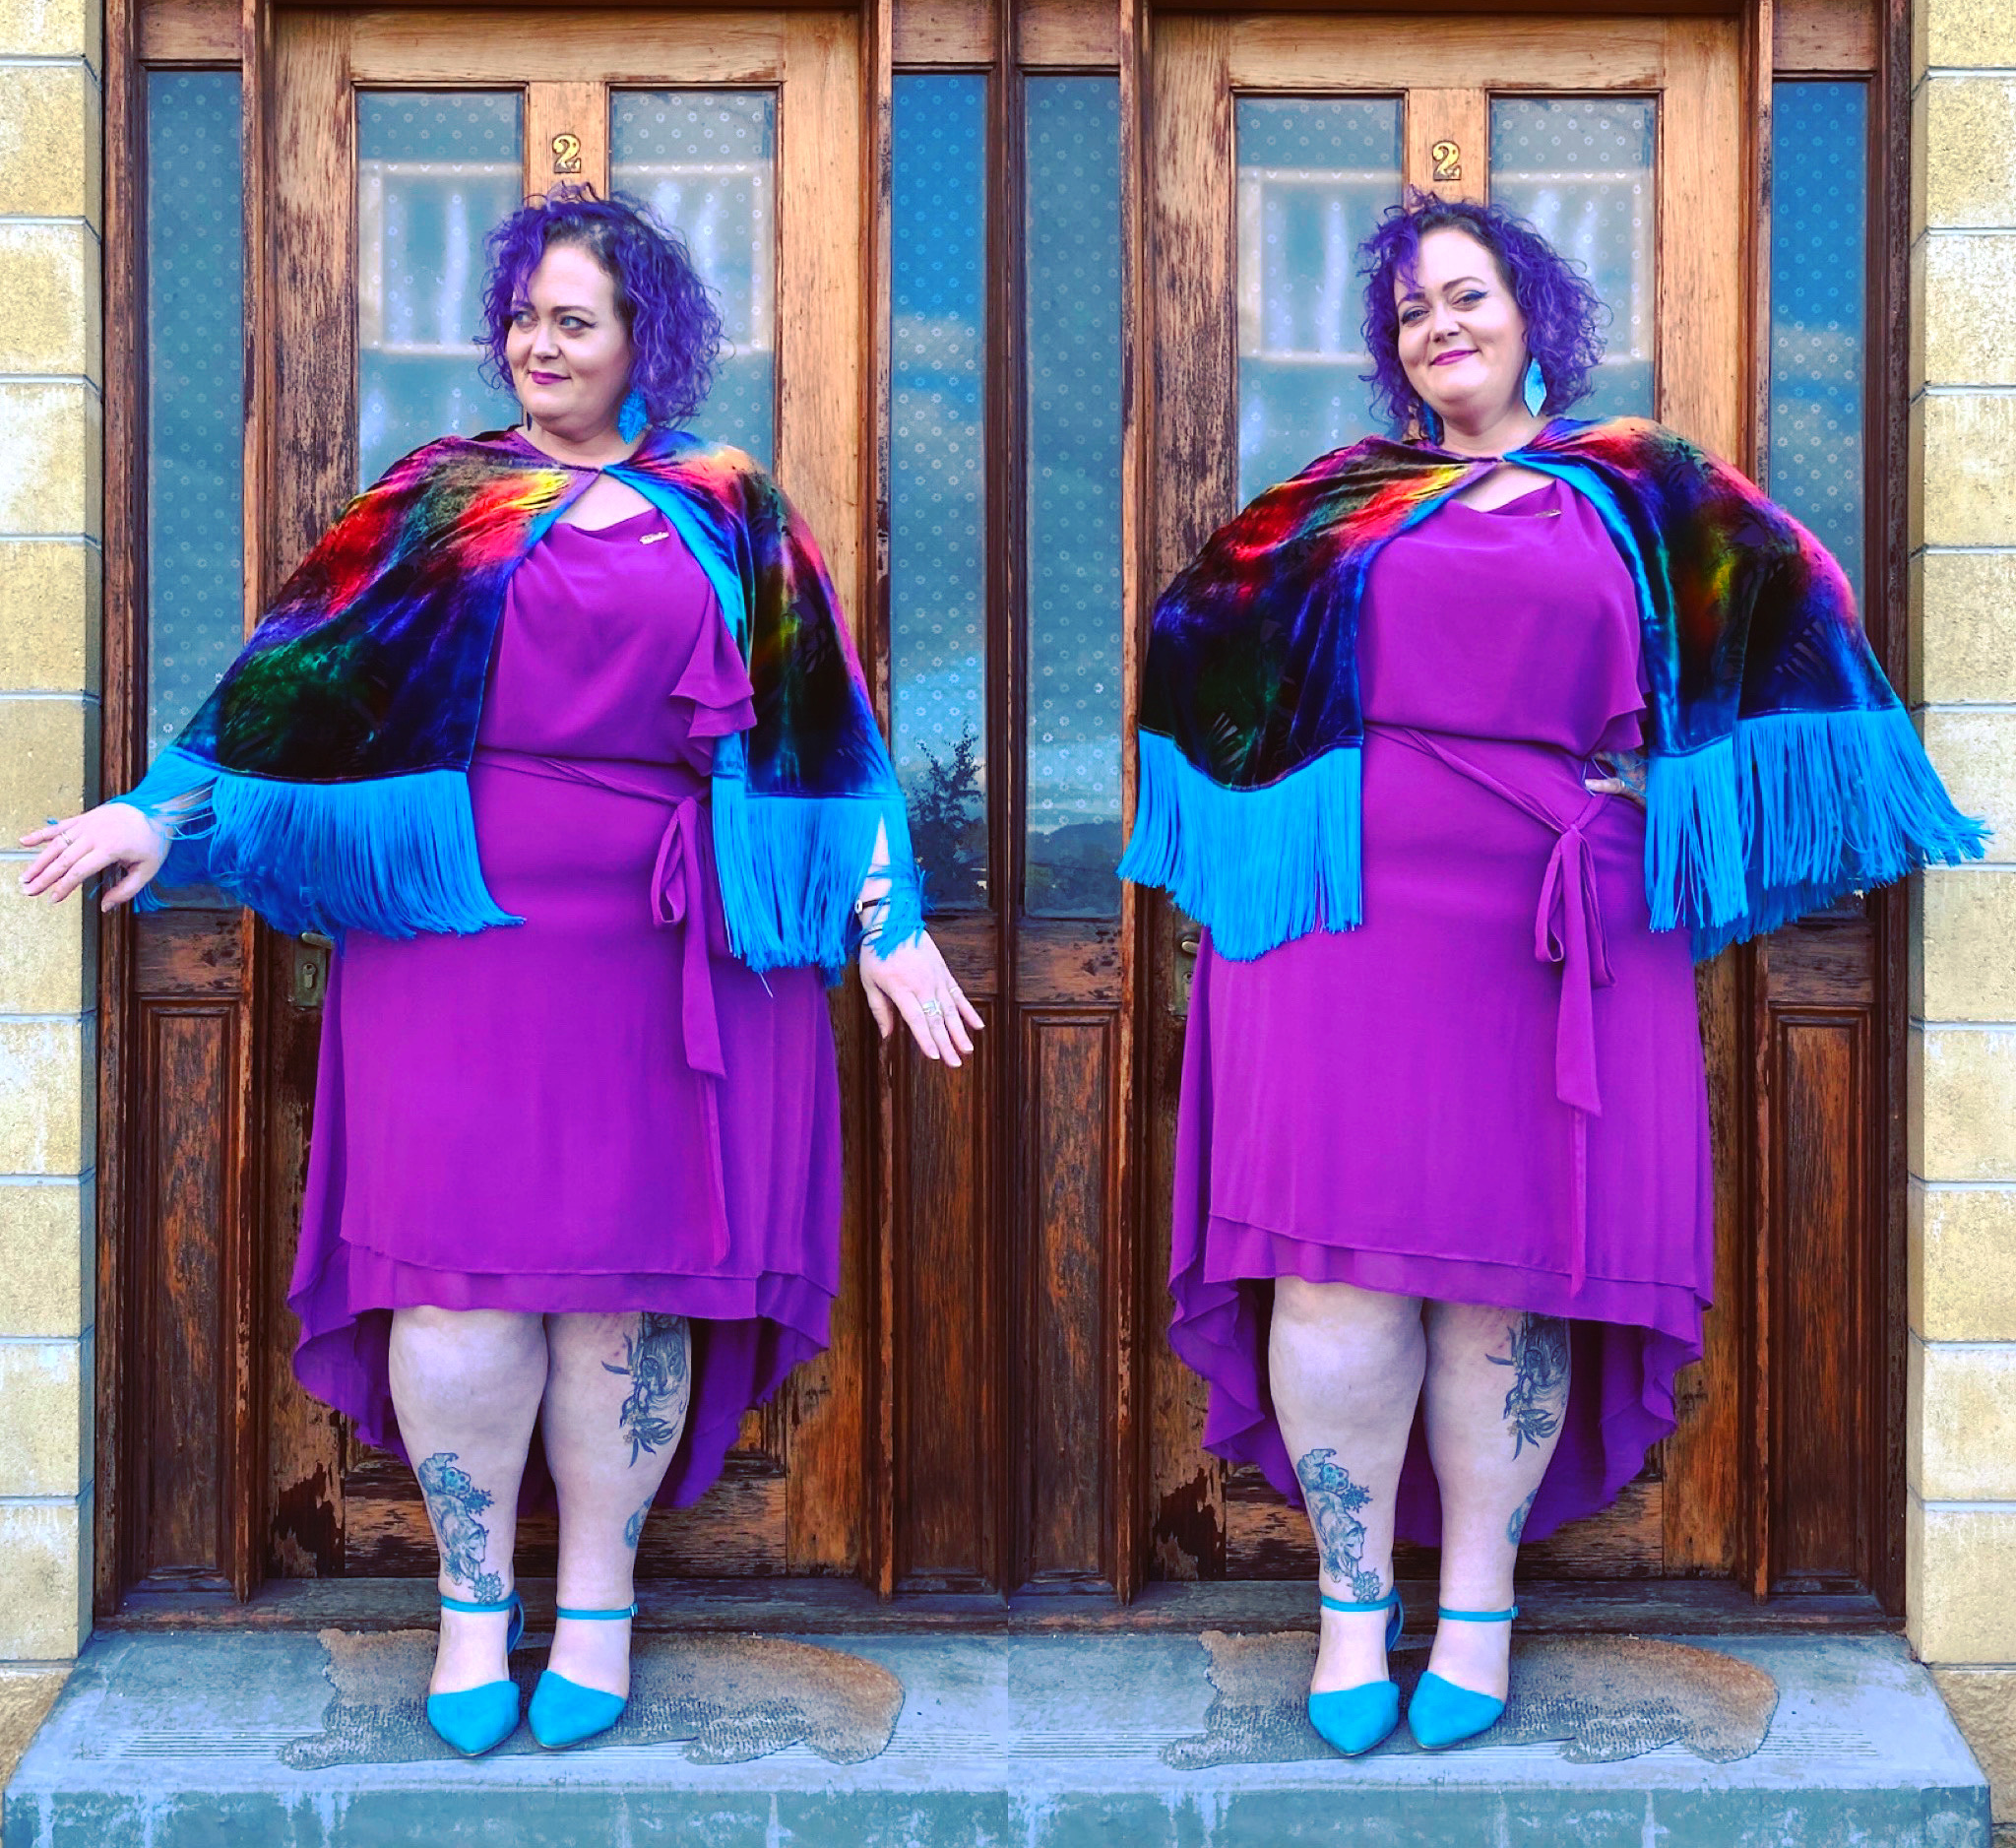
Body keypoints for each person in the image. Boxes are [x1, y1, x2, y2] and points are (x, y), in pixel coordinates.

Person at [20, 189, 978, 1758]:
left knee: (624, 1293)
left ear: (643, 343)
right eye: (524, 319)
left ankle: (598, 1599)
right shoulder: (433, 502)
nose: (540, 345)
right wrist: (156, 810)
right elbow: (291, 690)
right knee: (456, 1291)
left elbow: (828, 732)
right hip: (455, 943)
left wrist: (887, 918)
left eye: (574, 321)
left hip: (674, 951)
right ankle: (474, 1605)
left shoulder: (735, 508)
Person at [1119, 193, 1984, 1758]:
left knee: (1504, 1277)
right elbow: (1194, 640)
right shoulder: (1331, 504)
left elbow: (1799, 632)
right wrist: (1258, 832)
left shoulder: (1642, 488)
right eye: (1409, 312)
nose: (1438, 326)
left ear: (1533, 314)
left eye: (1468, 296)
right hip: (1339, 927)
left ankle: (1480, 1611)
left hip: (1553, 921)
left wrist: (1682, 792)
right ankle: (1348, 1611)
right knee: (1333, 1271)